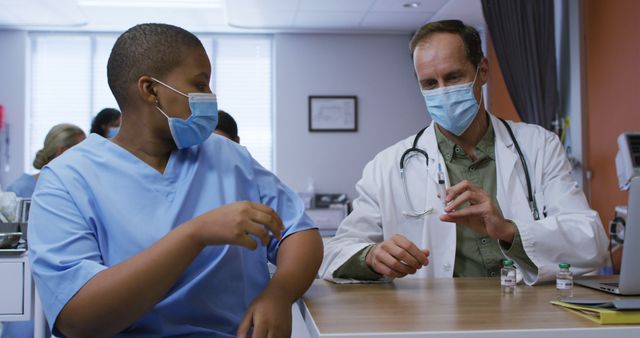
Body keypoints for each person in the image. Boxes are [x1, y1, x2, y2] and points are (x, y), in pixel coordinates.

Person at [28, 23, 322, 337]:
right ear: (151, 90)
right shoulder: (66, 179)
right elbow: (77, 318)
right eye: (200, 85)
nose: (210, 98)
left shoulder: (228, 157)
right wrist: (194, 234)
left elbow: (299, 232)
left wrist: (279, 295)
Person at [320, 20, 607, 285]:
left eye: (453, 77)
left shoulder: (539, 146)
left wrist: (508, 231)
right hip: (432, 319)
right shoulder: (387, 166)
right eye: (430, 84)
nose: (442, 92)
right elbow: (336, 252)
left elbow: (591, 242)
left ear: (482, 71)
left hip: (525, 314)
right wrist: (370, 257)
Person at [2, 123, 84, 338]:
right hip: (27, 282)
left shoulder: (72, 189)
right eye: (81, 150)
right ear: (61, 152)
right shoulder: (20, 189)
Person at [5, 123, 85, 198]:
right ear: (61, 152)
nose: (85, 159)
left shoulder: (74, 190)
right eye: (82, 152)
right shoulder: (19, 191)